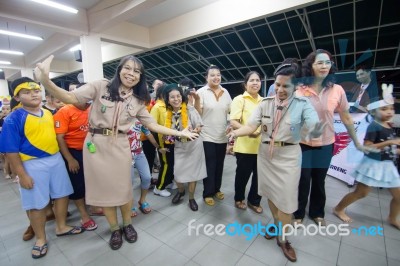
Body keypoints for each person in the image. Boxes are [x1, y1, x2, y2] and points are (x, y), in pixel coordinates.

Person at [34, 55, 198, 251]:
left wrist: (179, 132)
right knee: (106, 192)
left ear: (141, 76)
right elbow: (71, 98)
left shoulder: (139, 99)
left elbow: (152, 124)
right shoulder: (100, 86)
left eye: (137, 71)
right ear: (119, 70)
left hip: (120, 143)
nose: (131, 73)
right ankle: (114, 229)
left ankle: (127, 224)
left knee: (123, 189)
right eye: (128, 68)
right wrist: (45, 81)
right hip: (95, 144)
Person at [227, 59, 324, 262]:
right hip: (266, 156)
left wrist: (311, 128)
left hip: (288, 157)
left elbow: (315, 128)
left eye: (285, 86)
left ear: (296, 86)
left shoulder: (303, 105)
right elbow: (250, 126)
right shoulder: (265, 104)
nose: (279, 89)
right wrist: (235, 134)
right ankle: (275, 224)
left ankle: (283, 239)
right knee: (270, 194)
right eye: (277, 84)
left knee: (287, 204)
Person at [0, 77, 84, 259]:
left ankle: (61, 226)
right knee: (36, 203)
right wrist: (21, 175)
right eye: (27, 92)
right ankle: (40, 238)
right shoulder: (13, 119)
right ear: (17, 96)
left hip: (55, 159)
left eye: (36, 91)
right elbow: (10, 151)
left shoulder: (47, 113)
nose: (33, 95)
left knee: (62, 194)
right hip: (32, 163)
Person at [293, 49, 376, 227]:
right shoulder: (300, 90)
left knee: (319, 180)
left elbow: (346, 117)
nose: (324, 66)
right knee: (303, 179)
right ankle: (298, 212)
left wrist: (356, 142)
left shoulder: (337, 89)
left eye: (327, 62)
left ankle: (316, 213)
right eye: (319, 63)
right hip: (303, 144)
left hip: (326, 144)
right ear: (311, 66)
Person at [334, 84, 400, 228]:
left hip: (388, 166)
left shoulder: (389, 126)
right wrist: (390, 142)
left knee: (398, 196)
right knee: (361, 193)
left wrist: (395, 148)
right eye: (384, 109)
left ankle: (392, 218)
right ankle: (338, 208)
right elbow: (368, 146)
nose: (389, 112)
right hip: (372, 165)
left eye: (391, 108)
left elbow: (391, 147)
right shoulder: (374, 126)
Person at [53, 83, 98, 231]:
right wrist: (70, 159)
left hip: (90, 150)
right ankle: (84, 215)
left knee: (91, 180)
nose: (87, 104)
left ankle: (93, 207)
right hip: (73, 152)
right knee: (77, 184)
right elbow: (60, 139)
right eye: (86, 101)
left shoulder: (91, 109)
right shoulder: (64, 112)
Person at [193, 65, 232, 206]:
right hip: (206, 135)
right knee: (210, 165)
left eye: (218, 74)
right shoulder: (201, 92)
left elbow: (230, 111)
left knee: (220, 165)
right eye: (212, 75)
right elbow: (197, 113)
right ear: (206, 77)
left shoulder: (225, 92)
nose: (216, 77)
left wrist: (231, 126)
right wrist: (196, 100)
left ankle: (217, 189)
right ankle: (207, 193)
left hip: (222, 135)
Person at [165, 83, 206, 211]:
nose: (176, 99)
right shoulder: (168, 113)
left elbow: (199, 125)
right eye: (172, 97)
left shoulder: (189, 109)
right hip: (178, 146)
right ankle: (181, 191)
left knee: (192, 175)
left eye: (178, 96)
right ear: (168, 99)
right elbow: (167, 131)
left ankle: (191, 198)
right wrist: (167, 138)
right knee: (177, 173)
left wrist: (194, 131)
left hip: (193, 146)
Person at [230, 71, 263, 213]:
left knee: (259, 177)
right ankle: (239, 198)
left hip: (262, 146)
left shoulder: (264, 101)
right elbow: (233, 121)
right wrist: (249, 130)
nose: (255, 83)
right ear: (245, 84)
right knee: (242, 175)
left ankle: (254, 201)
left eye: (258, 80)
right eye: (252, 80)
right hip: (244, 145)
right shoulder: (239, 100)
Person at [127, 118, 159, 216]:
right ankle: (129, 204)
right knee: (129, 182)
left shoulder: (139, 120)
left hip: (139, 153)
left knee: (147, 177)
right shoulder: (119, 118)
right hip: (125, 155)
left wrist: (158, 147)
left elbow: (148, 134)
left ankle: (142, 200)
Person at [150, 84, 174, 197]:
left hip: (171, 139)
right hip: (162, 140)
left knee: (170, 163)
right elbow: (151, 128)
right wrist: (159, 147)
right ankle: (159, 187)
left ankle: (167, 182)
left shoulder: (167, 106)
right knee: (165, 164)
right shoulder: (157, 107)